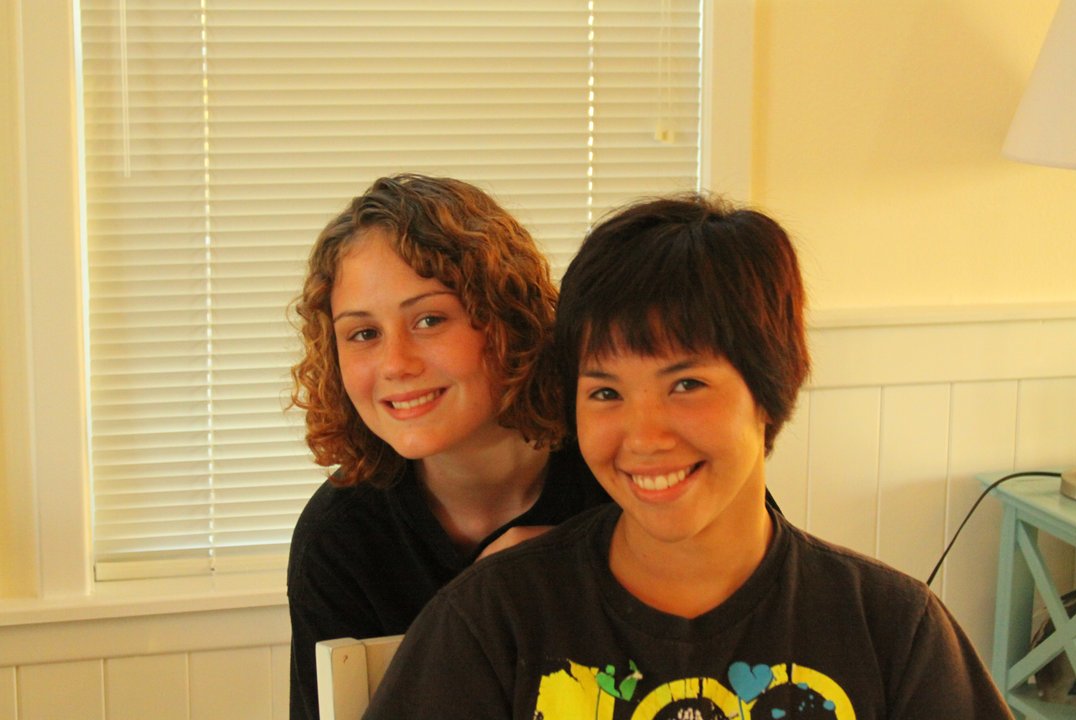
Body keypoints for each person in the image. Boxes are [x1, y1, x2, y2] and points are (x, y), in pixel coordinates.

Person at [364, 193, 1012, 719]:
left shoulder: (890, 629)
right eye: (606, 393)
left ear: (769, 389)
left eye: (686, 385)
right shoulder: (494, 621)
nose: (644, 437)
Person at [286, 174, 611, 719]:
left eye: (430, 320)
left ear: (508, 321)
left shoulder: (624, 471)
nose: (396, 364)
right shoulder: (339, 539)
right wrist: (484, 595)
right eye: (364, 334)